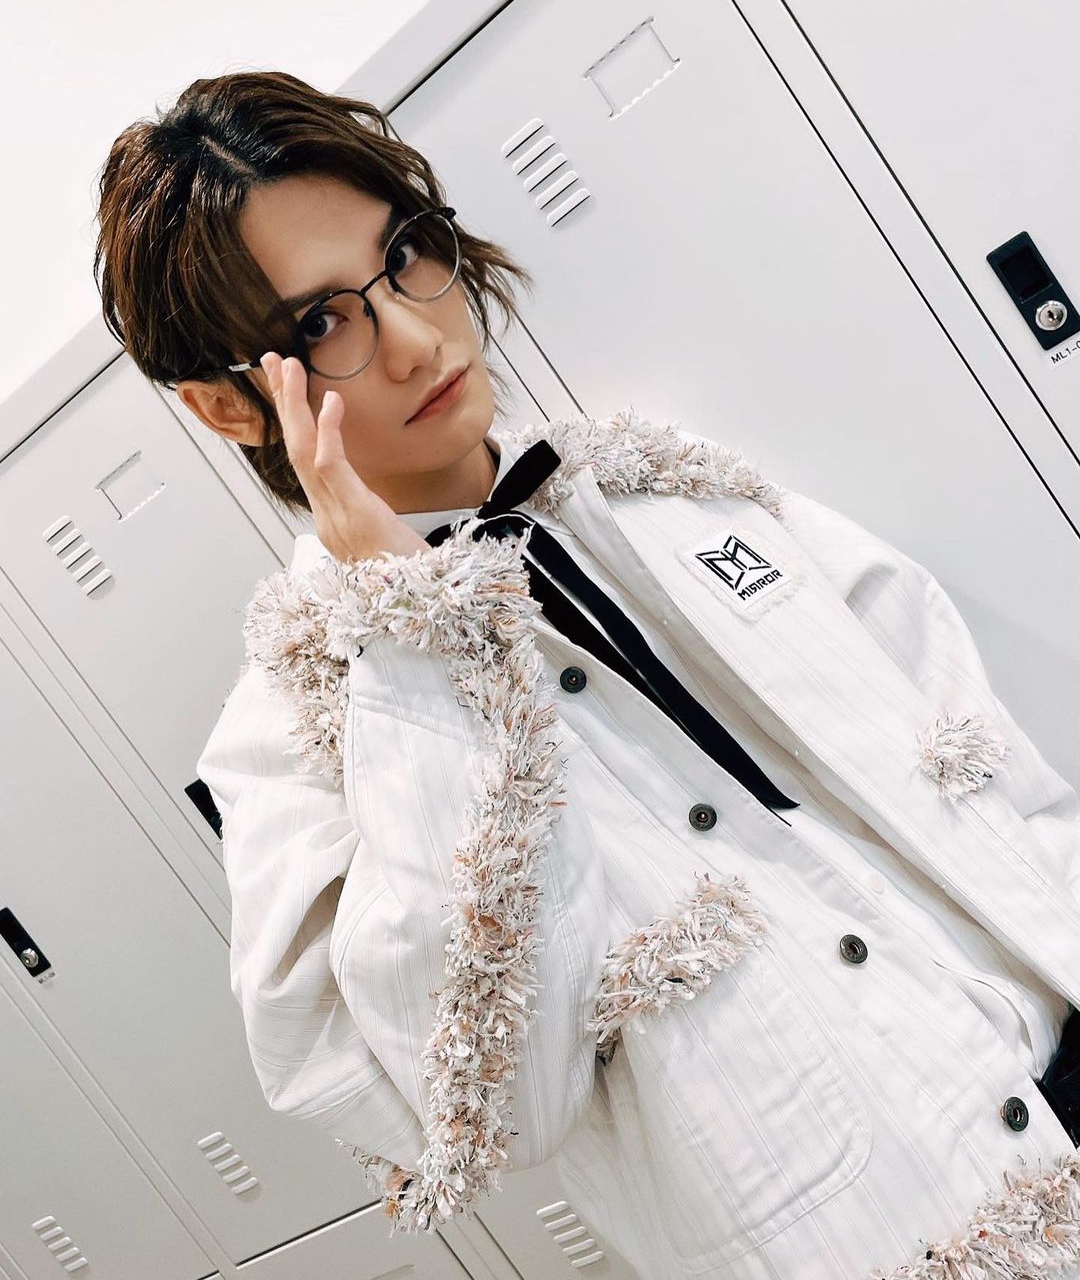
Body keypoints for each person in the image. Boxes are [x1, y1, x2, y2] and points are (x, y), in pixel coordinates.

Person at [95, 70, 1080, 1279]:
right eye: (319, 326)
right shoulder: (294, 736)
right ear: (227, 407)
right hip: (916, 1232)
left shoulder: (661, 484)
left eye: (402, 256)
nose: (414, 339)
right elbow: (490, 1101)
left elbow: (972, 747)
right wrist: (414, 633)